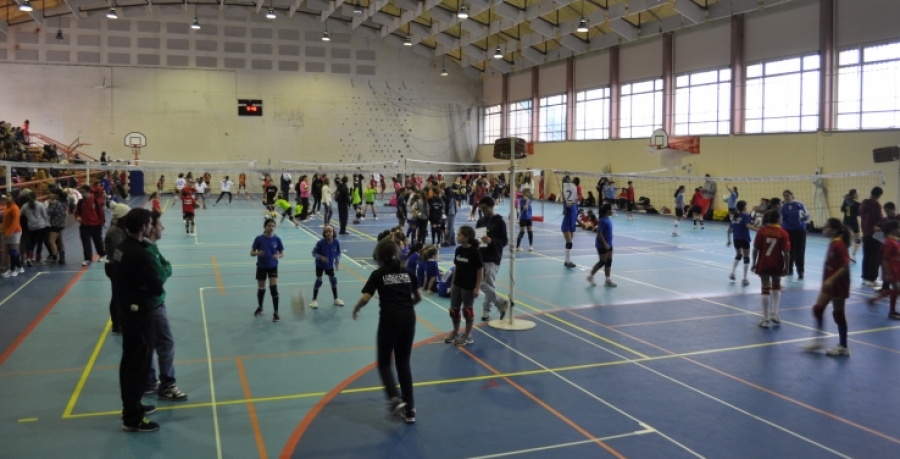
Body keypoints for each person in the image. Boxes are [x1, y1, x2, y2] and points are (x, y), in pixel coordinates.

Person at [352, 238, 422, 424]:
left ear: (380, 257)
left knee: (384, 363)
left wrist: (356, 308)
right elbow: (419, 297)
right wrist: (406, 306)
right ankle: (410, 409)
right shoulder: (407, 273)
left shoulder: (378, 274)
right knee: (403, 363)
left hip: (389, 320)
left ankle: (394, 398)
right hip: (408, 319)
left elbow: (366, 298)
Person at [112, 208, 164, 432]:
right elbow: (157, 286)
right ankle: (132, 417)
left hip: (127, 312)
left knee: (130, 362)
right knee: (138, 365)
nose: (152, 227)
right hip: (140, 316)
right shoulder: (139, 254)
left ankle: (133, 405)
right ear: (143, 226)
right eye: (149, 223)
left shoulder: (121, 248)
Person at [144, 210, 188, 400]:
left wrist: (165, 268)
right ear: (151, 228)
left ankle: (149, 382)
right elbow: (162, 275)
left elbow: (166, 266)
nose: (163, 227)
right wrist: (165, 269)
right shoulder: (147, 251)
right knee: (165, 343)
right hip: (154, 306)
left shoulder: (152, 248)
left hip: (151, 306)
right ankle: (167, 385)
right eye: (160, 224)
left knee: (149, 344)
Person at [802, 218, 852, 356]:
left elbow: (845, 266)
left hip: (839, 284)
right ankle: (818, 340)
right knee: (818, 309)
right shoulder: (833, 243)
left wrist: (831, 279)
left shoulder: (839, 245)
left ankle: (843, 347)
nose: (824, 229)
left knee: (838, 313)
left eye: (827, 227)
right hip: (830, 284)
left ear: (834, 230)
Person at [752, 210, 791, 328]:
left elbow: (755, 249)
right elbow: (786, 252)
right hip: (777, 263)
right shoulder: (783, 233)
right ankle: (775, 314)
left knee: (765, 288)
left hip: (764, 262)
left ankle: (765, 319)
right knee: (776, 286)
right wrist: (787, 267)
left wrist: (754, 263)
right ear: (778, 219)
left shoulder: (761, 231)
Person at [445, 226, 483, 345]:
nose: (457, 237)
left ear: (467, 237)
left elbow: (480, 270)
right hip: (457, 284)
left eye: (459, 235)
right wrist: (453, 282)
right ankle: (456, 332)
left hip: (469, 285)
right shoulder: (458, 250)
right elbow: (457, 267)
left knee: (467, 311)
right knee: (454, 310)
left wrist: (477, 287)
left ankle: (468, 336)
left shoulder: (474, 251)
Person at [476, 197, 509, 321]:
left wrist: (491, 241)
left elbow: (504, 241)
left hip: (493, 256)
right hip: (481, 255)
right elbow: (478, 240)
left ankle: (486, 310)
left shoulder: (500, 222)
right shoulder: (480, 222)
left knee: (488, 283)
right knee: (480, 282)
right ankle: (500, 302)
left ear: (491, 206)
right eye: (481, 209)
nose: (483, 211)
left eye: (485, 208)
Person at [104, 204, 131, 334]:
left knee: (120, 295)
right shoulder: (115, 231)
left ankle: (120, 321)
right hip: (114, 266)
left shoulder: (120, 229)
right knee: (117, 296)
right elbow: (118, 253)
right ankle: (117, 324)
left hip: (117, 266)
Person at [251, 219, 284, 321]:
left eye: (273, 226)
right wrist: (257, 253)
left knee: (273, 288)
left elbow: (282, 253)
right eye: (269, 226)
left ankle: (276, 313)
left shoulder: (277, 239)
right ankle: (260, 307)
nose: (271, 228)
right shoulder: (259, 239)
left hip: (273, 266)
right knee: (261, 289)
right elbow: (252, 252)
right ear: (265, 227)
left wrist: (278, 256)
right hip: (261, 266)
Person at [867, 220, 900, 320]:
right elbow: (885, 258)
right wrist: (888, 273)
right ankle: (892, 312)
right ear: (893, 230)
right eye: (898, 228)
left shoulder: (893, 240)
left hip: (896, 267)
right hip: (892, 268)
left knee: (896, 289)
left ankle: (875, 299)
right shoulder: (889, 242)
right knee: (896, 289)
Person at [311, 225, 342, 308]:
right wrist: (320, 257)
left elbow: (338, 252)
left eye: (330, 231)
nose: (328, 233)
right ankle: (314, 300)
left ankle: (336, 299)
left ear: (333, 232)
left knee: (333, 280)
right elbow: (314, 253)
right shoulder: (320, 243)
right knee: (319, 281)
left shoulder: (336, 242)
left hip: (329, 265)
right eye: (326, 232)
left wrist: (337, 260)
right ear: (324, 233)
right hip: (320, 265)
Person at [75, 184, 107, 266]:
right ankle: (88, 259)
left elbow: (101, 212)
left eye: (83, 192)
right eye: (81, 192)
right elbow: (77, 212)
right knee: (86, 242)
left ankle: (102, 254)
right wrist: (78, 217)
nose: (82, 194)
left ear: (88, 192)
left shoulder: (95, 200)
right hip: (84, 225)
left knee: (98, 241)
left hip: (96, 225)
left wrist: (102, 223)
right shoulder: (80, 202)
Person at [781, 190, 809, 280]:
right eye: (784, 196)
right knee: (788, 250)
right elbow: (782, 218)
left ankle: (800, 271)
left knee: (799, 251)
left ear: (792, 195)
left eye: (787, 195)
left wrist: (802, 217)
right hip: (787, 231)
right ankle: (789, 269)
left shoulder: (799, 205)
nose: (786, 197)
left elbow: (806, 217)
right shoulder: (783, 206)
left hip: (799, 231)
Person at [587, 204, 616, 287]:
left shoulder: (608, 218)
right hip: (602, 245)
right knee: (602, 261)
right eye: (611, 209)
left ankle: (607, 280)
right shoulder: (602, 220)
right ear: (607, 211)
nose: (612, 211)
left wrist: (608, 243)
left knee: (609, 261)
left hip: (609, 243)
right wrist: (605, 244)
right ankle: (590, 276)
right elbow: (599, 233)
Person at [860, 187, 884, 288]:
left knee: (866, 256)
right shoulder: (877, 205)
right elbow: (880, 219)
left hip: (865, 233)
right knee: (876, 257)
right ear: (879, 195)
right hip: (876, 233)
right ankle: (872, 279)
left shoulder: (863, 203)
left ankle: (865, 278)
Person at [727, 200, 754, 286]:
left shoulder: (735, 216)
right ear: (744, 207)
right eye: (746, 205)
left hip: (736, 239)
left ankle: (732, 273)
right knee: (746, 257)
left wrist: (729, 240)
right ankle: (744, 279)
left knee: (738, 255)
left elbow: (729, 230)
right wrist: (758, 229)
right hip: (744, 238)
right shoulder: (745, 215)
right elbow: (748, 226)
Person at [21, 193, 49, 266]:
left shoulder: (24, 206)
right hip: (41, 226)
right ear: (36, 197)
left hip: (31, 227)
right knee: (40, 243)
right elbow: (45, 215)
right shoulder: (40, 205)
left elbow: (20, 215)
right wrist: (47, 224)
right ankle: (38, 260)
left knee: (32, 243)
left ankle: (29, 258)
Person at [1, 194, 24, 277]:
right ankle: (19, 267)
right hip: (8, 231)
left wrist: (8, 233)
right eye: (6, 198)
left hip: (15, 232)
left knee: (13, 250)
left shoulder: (15, 208)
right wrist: (3, 231)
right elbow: (5, 221)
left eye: (8, 197)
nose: (6, 199)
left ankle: (13, 269)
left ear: (13, 198)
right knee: (11, 251)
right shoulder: (7, 207)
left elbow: (15, 223)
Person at [45, 188, 68, 265]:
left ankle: (54, 258)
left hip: (56, 223)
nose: (50, 195)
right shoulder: (64, 201)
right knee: (60, 240)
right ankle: (62, 257)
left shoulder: (55, 203)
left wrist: (49, 204)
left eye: (52, 193)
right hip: (61, 223)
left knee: (51, 241)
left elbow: (49, 212)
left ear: (56, 195)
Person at [561, 177, 579, 268]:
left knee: (570, 243)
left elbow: (576, 213)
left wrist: (580, 223)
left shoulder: (574, 198)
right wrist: (568, 204)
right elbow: (566, 207)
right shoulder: (566, 196)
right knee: (569, 243)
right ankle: (568, 261)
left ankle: (567, 260)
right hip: (567, 223)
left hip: (572, 223)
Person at [841, 189, 861, 262]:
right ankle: (853, 255)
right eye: (857, 193)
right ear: (854, 194)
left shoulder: (845, 201)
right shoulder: (857, 204)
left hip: (846, 222)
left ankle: (845, 255)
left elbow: (842, 210)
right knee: (857, 239)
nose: (858, 195)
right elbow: (859, 214)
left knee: (846, 239)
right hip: (853, 222)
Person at [515, 188, 534, 252]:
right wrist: (526, 202)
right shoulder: (521, 200)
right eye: (528, 192)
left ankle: (531, 246)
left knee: (530, 232)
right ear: (525, 193)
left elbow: (529, 201)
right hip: (523, 218)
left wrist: (527, 200)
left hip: (529, 218)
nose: (530, 193)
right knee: (522, 232)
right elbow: (525, 208)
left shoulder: (530, 200)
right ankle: (517, 246)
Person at [442, 182, 458, 247]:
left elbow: (448, 201)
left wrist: (442, 195)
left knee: (449, 227)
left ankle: (447, 241)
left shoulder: (449, 192)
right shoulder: (449, 191)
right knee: (451, 227)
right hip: (451, 211)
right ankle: (452, 241)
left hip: (451, 212)